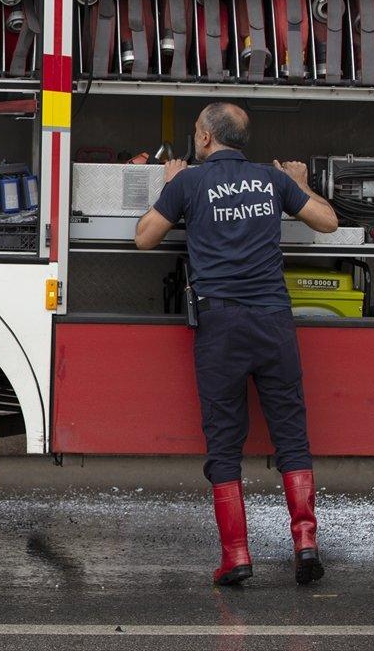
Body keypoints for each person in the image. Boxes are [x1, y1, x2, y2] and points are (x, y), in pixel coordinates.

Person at [135, 102, 338, 587]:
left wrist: (168, 183)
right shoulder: (272, 181)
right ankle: (306, 545)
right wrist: (301, 182)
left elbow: (144, 238)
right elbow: (327, 222)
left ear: (205, 138)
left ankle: (236, 557)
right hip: (273, 320)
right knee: (291, 435)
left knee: (225, 442)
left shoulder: (188, 182)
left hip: (221, 325)